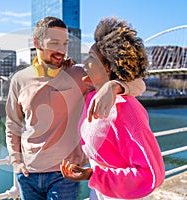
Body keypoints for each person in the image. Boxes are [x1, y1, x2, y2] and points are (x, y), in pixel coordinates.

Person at [5, 16, 146, 200]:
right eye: (55, 43)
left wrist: (114, 86)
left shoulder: (79, 74)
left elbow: (139, 85)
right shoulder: (19, 79)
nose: (61, 50)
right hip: (27, 174)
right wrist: (17, 162)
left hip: (64, 174)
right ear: (37, 43)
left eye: (65, 43)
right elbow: (12, 125)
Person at [60, 17, 165, 199]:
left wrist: (94, 175)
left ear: (107, 67)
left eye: (91, 58)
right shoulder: (92, 94)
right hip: (99, 192)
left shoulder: (125, 110)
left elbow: (151, 174)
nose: (84, 63)